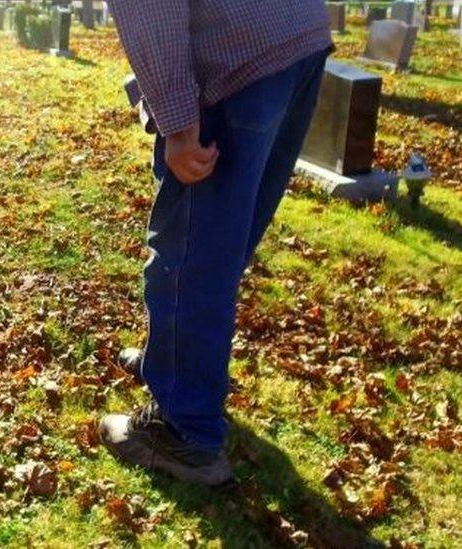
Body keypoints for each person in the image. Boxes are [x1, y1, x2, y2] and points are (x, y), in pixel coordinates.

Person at [99, 0, 333, 485]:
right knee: (223, 241)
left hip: (238, 60)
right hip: (294, 35)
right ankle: (174, 363)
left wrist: (181, 126)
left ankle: (187, 433)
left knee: (193, 258)